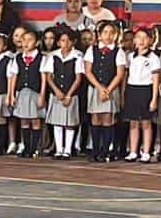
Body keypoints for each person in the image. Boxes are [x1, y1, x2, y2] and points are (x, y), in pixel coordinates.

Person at [85, 20, 125, 163]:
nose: (108, 35)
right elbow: (88, 71)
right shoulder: (92, 50)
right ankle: (95, 150)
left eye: (111, 32)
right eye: (105, 32)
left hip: (111, 89)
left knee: (107, 118)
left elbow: (119, 74)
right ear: (99, 34)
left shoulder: (118, 51)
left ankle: (106, 151)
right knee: (96, 118)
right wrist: (100, 88)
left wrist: (108, 90)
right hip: (96, 88)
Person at [42, 29, 83, 159]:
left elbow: (78, 78)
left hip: (71, 94)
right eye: (63, 40)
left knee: (69, 123)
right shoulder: (53, 56)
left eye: (69, 41)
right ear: (59, 42)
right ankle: (59, 149)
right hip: (56, 94)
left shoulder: (77, 56)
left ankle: (68, 150)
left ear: (74, 42)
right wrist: (56, 91)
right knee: (57, 122)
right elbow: (49, 77)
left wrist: (69, 94)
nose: (66, 43)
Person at [122, 27, 160, 162]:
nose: (141, 40)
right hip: (132, 90)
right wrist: (123, 94)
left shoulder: (153, 58)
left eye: (145, 38)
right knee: (133, 122)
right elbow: (126, 77)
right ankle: (133, 151)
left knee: (146, 122)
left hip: (146, 90)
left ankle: (146, 151)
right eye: (138, 37)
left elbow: (156, 80)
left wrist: (154, 99)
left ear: (150, 40)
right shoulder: (130, 56)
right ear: (134, 40)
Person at [11, 27, 44, 159]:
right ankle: (26, 146)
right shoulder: (18, 58)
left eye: (30, 40)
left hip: (35, 92)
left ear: (36, 43)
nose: (26, 43)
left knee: (35, 120)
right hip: (22, 92)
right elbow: (14, 76)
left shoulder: (41, 58)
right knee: (24, 120)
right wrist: (12, 94)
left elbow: (43, 78)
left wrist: (42, 95)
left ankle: (34, 148)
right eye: (23, 40)